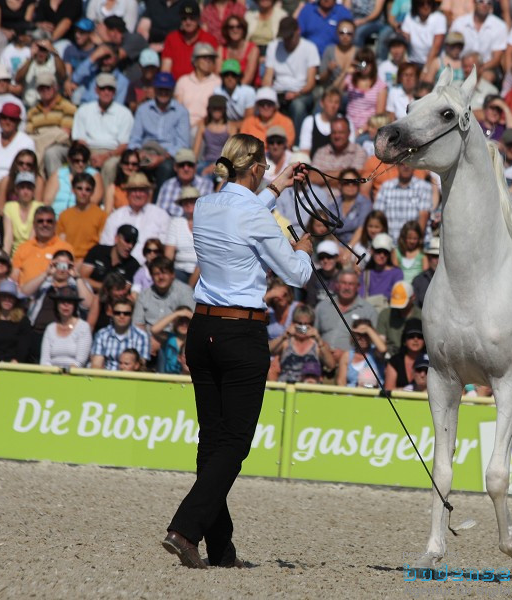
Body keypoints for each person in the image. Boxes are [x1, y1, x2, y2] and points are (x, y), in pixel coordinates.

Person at [163, 133, 313, 569]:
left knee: (211, 439)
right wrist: (303, 249)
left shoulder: (207, 205)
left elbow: (242, 213)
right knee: (235, 443)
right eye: (265, 167)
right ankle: (185, 528)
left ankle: (220, 550)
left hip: (203, 325)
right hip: (240, 332)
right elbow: (296, 275)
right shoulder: (251, 212)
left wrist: (277, 187)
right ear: (255, 169)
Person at [262, 17, 320, 132]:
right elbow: (268, 78)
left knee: (297, 106)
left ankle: (297, 144)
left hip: (301, 92)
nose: (287, 40)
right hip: (278, 91)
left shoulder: (310, 48)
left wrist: (296, 94)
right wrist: (268, 95)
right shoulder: (273, 46)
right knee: (261, 102)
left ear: (298, 31)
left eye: (289, 37)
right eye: (284, 37)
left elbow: (310, 83)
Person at [99, 172, 170, 263]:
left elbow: (166, 247)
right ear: (127, 193)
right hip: (121, 267)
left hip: (151, 268)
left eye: (142, 190)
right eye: (134, 190)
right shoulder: (116, 217)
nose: (138, 194)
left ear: (148, 193)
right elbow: (106, 246)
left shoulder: (161, 215)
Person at [133, 255, 196, 357]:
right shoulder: (144, 295)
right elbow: (138, 325)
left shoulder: (185, 292)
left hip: (178, 345)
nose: (160, 277)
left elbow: (193, 320)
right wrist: (148, 341)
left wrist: (166, 342)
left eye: (164, 273)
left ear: (172, 274)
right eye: (156, 274)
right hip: (149, 344)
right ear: (151, 276)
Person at [270, 303, 335, 382]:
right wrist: (283, 336)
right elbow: (267, 350)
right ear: (293, 323)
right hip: (286, 387)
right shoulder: (286, 343)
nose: (303, 327)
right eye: (299, 323)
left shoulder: (317, 345)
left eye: (306, 324)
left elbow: (331, 365)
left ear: (312, 324)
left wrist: (318, 339)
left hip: (308, 388)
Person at [56, 172, 107, 263]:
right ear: (73, 190)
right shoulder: (64, 215)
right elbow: (60, 243)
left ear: (92, 192)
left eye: (87, 189)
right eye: (79, 188)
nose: (83, 193)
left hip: (90, 262)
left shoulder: (101, 215)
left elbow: (102, 245)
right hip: (68, 261)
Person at [90, 297, 149, 369]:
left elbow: (140, 367)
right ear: (112, 314)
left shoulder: (142, 337)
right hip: (106, 378)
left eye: (126, 313)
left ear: (132, 315)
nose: (122, 316)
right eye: (117, 313)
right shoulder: (102, 334)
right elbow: (96, 365)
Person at [39, 286, 91, 367]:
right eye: (62, 301)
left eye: (70, 302)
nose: (66, 305)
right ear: (57, 305)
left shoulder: (83, 327)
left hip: (74, 376)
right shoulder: (50, 328)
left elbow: (80, 361)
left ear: (74, 306)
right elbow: (44, 360)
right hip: (51, 375)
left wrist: (66, 374)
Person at [374, 162, 433, 236]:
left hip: (414, 242)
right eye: (402, 164)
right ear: (397, 166)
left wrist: (416, 241)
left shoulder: (424, 187)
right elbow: (378, 216)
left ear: (414, 166)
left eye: (409, 164)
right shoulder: (386, 187)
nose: (406, 167)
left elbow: (423, 216)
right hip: (390, 241)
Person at [0, 279, 31, 362]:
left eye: (11, 297)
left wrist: (15, 362)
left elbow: (23, 348)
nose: (7, 300)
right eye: (4, 296)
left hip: (16, 367)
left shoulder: (23, 322)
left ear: (16, 301)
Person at [81, 224, 140, 290]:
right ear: (116, 238)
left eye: (133, 243)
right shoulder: (97, 251)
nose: (130, 246)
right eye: (127, 241)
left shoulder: (133, 265)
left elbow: (123, 290)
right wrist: (105, 288)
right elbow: (82, 278)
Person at [336, 317, 385, 387]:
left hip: (374, 395)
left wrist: (368, 329)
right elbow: (341, 382)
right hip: (352, 395)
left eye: (366, 335)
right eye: (359, 335)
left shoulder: (375, 352)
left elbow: (383, 349)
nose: (363, 338)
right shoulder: (347, 355)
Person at [384, 317, 425, 390]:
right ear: (404, 340)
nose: (415, 339)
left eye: (420, 336)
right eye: (411, 336)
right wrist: (409, 390)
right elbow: (388, 390)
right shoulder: (395, 361)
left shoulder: (432, 362)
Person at [411, 237, 439, 309]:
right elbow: (415, 309)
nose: (438, 260)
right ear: (428, 257)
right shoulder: (418, 281)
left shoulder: (453, 281)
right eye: (435, 256)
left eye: (441, 256)